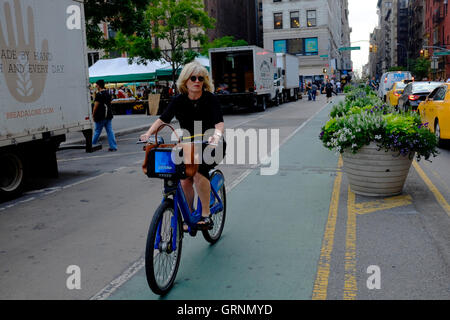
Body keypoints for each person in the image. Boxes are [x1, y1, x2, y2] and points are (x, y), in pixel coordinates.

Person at [140, 61, 226, 229]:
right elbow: (163, 119)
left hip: (211, 145)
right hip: (188, 145)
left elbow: (219, 123)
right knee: (184, 179)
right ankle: (190, 213)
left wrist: (215, 137)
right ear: (186, 80)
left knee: (199, 173)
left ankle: (206, 214)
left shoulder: (210, 99)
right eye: (193, 78)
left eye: (201, 78)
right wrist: (148, 134)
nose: (197, 81)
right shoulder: (178, 100)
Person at [92, 80, 118, 152]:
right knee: (110, 131)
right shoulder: (107, 93)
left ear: (99, 85)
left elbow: (95, 106)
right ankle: (113, 147)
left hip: (100, 115)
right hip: (108, 115)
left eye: (96, 85)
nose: (95, 86)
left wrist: (93, 115)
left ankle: (92, 145)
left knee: (97, 131)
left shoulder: (99, 94)